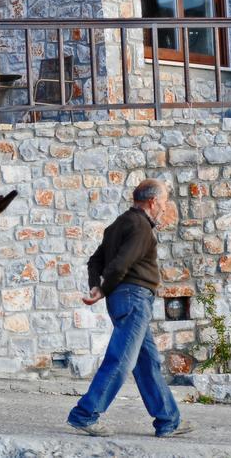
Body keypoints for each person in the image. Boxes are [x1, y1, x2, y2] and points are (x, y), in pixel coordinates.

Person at [67, 179, 193, 438]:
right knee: (121, 360)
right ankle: (85, 414)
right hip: (134, 299)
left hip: (125, 301)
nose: (165, 207)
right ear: (152, 201)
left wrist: (95, 285)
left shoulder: (118, 225)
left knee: (147, 362)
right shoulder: (140, 227)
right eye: (164, 201)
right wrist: (102, 289)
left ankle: (169, 420)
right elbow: (119, 265)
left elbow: (95, 261)